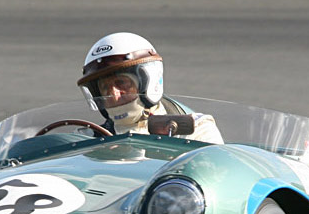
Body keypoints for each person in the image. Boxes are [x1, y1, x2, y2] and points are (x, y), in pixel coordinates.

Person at [77, 32, 224, 143]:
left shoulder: (193, 130)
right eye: (105, 88)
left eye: (122, 83)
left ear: (148, 81)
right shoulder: (86, 140)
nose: (114, 95)